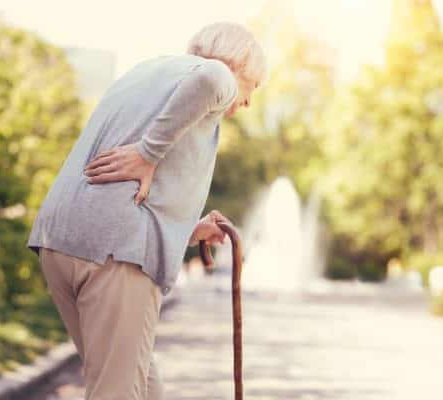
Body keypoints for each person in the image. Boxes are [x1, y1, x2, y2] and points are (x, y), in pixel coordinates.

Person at [26, 21, 267, 400]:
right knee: (118, 392)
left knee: (140, 383)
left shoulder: (145, 72)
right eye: (252, 87)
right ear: (240, 65)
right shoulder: (215, 73)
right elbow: (209, 82)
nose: (247, 101)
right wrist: (147, 154)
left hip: (62, 241)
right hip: (113, 253)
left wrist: (188, 228)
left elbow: (124, 193)